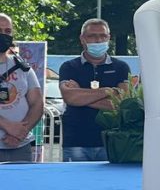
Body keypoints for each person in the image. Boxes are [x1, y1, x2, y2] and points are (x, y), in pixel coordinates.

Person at [58, 18, 131, 162]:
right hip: (76, 141)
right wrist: (107, 91)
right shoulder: (69, 67)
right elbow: (70, 98)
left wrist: (81, 95)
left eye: (102, 36)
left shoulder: (121, 67)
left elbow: (120, 103)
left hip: (111, 141)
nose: (98, 40)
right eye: (92, 36)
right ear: (82, 39)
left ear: (109, 38)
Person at [0, 14, 43, 163]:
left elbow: (37, 103)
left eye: (7, 31)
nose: (3, 35)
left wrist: (19, 133)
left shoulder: (22, 67)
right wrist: (7, 125)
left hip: (20, 147)